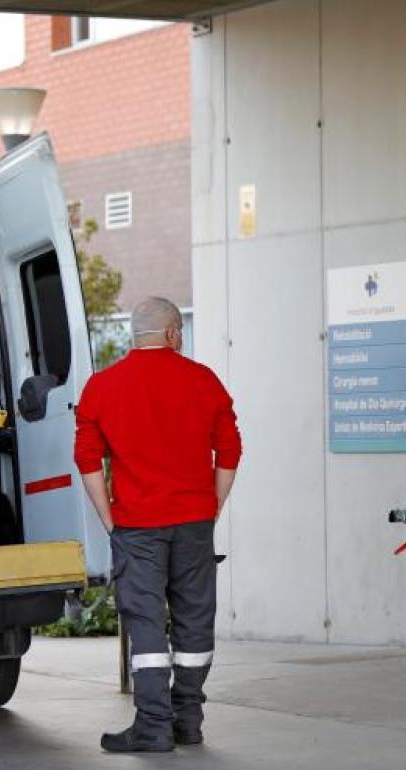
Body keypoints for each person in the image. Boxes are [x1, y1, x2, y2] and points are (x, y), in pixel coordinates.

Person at [74, 297, 242, 753]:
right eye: (179, 334)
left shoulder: (102, 387)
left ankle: (153, 725)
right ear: (171, 333)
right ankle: (188, 720)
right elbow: (229, 451)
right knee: (194, 622)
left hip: (136, 527)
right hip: (192, 523)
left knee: (146, 624)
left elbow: (87, 460)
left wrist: (110, 520)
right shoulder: (203, 381)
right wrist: (212, 508)